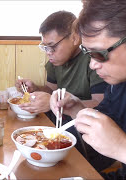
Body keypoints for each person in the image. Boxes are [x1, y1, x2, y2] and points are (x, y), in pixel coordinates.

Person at [50, 0, 126, 179]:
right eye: (88, 53)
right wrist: (78, 109)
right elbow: (108, 123)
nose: (92, 65)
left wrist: (123, 148)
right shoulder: (121, 83)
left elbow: (119, 144)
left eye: (99, 54)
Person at [15, 11, 108, 159]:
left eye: (52, 46)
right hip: (59, 124)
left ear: (75, 38)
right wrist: (36, 89)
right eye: (45, 47)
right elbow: (51, 90)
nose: (48, 53)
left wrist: (56, 104)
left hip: (89, 135)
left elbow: (100, 105)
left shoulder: (93, 60)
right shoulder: (55, 61)